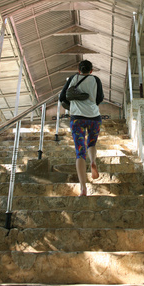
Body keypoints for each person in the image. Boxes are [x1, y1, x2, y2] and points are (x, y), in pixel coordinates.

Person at [59, 59, 104, 196]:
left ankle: (83, 188)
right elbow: (99, 98)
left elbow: (62, 97)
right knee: (91, 143)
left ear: (79, 70)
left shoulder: (73, 78)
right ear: (91, 71)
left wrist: (74, 102)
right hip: (94, 118)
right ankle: (93, 161)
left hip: (77, 118)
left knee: (80, 152)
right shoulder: (95, 79)